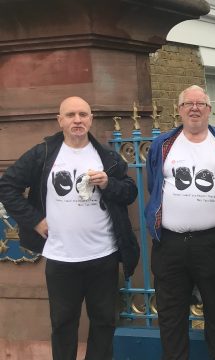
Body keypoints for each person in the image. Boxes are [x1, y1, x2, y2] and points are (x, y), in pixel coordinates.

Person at [0, 96, 139, 360]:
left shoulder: (106, 157)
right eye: (71, 115)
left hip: (103, 256)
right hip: (61, 258)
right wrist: (35, 220)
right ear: (60, 120)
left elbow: (129, 192)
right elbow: (7, 186)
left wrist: (109, 183)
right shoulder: (43, 154)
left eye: (83, 115)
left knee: (104, 323)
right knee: (63, 326)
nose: (78, 120)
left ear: (91, 119)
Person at [145, 85, 215, 360]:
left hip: (214, 241)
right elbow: (153, 185)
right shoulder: (163, 145)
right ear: (179, 110)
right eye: (187, 103)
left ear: (209, 110)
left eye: (200, 103)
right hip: (170, 242)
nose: (194, 108)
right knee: (170, 311)